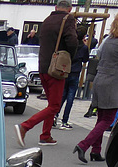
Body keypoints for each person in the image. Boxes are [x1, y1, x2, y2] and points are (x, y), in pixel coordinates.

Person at [15, 0, 77, 147]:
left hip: (43, 68)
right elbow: (72, 42)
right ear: (70, 9)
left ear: (56, 7)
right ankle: (25, 126)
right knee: (55, 106)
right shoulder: (68, 19)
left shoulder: (47, 20)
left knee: (51, 104)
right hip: (56, 68)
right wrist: (70, 57)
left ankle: (46, 135)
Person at [74, 15, 118, 163]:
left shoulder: (107, 40)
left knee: (101, 118)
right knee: (108, 119)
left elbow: (98, 55)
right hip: (112, 83)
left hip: (100, 80)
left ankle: (96, 151)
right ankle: (83, 145)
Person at [55, 32, 89, 129]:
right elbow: (85, 59)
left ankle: (55, 115)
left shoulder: (70, 45)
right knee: (70, 97)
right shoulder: (84, 47)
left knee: (62, 94)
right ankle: (65, 120)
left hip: (66, 70)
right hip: (75, 71)